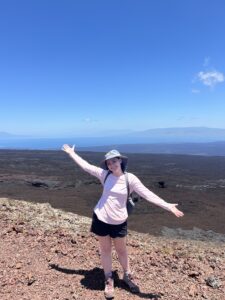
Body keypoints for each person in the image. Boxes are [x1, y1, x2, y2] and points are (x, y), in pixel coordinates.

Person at [61, 145, 184, 298]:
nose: (112, 164)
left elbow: (147, 194)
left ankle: (127, 275)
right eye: (109, 162)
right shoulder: (104, 175)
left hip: (119, 221)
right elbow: (86, 166)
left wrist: (167, 206)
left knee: (121, 250)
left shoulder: (129, 179)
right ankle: (108, 278)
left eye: (114, 161)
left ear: (120, 160)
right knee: (105, 250)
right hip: (101, 218)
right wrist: (72, 153)